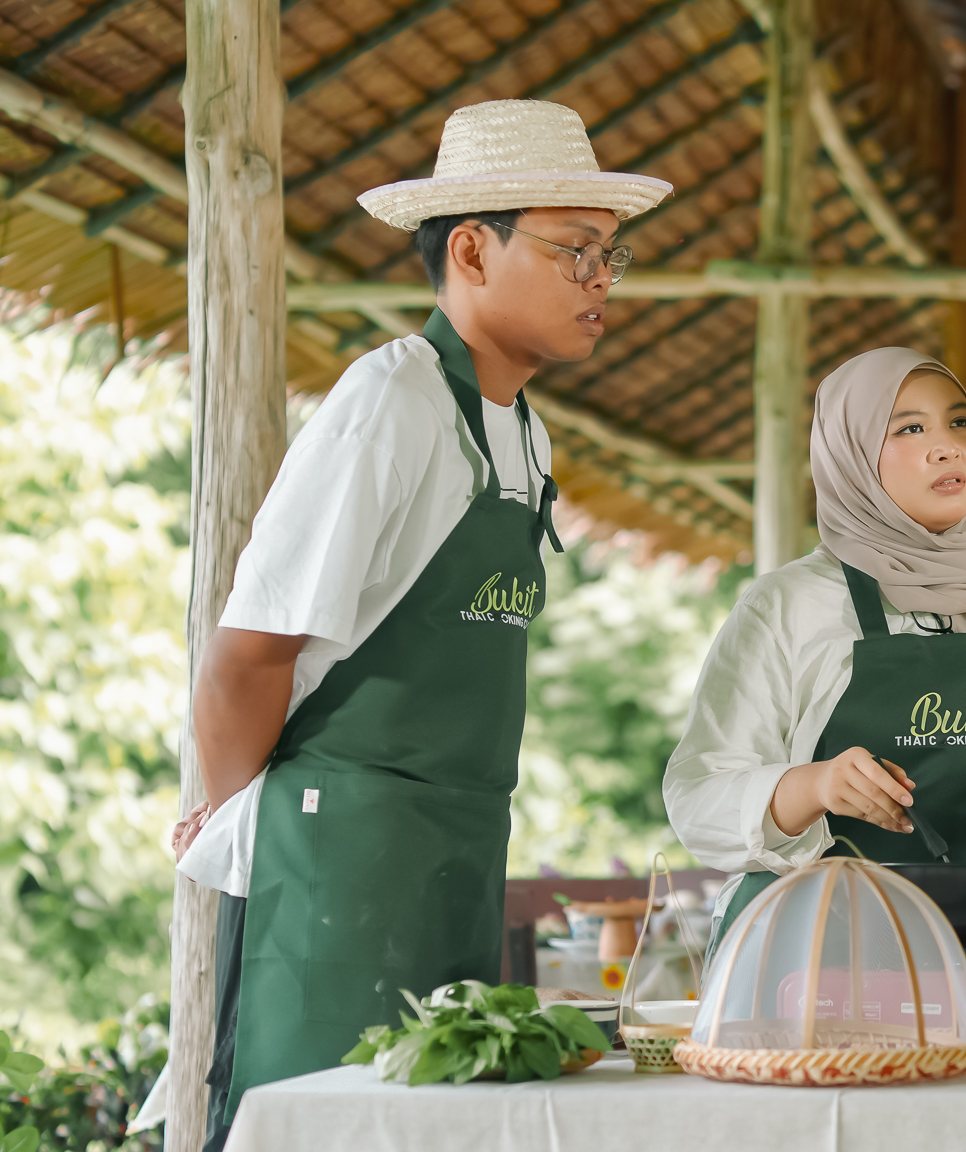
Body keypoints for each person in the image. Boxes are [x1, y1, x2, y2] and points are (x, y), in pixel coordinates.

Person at [170, 100, 669, 1149]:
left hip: (458, 848)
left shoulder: (523, 435)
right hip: (339, 856)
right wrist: (247, 827)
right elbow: (247, 654)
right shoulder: (394, 399)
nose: (600, 281)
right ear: (474, 250)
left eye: (610, 256)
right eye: (576, 249)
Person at [664, 348, 966, 972]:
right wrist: (814, 785)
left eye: (961, 422)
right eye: (910, 428)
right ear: (850, 454)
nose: (947, 447)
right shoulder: (788, 604)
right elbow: (698, 800)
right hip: (825, 967)